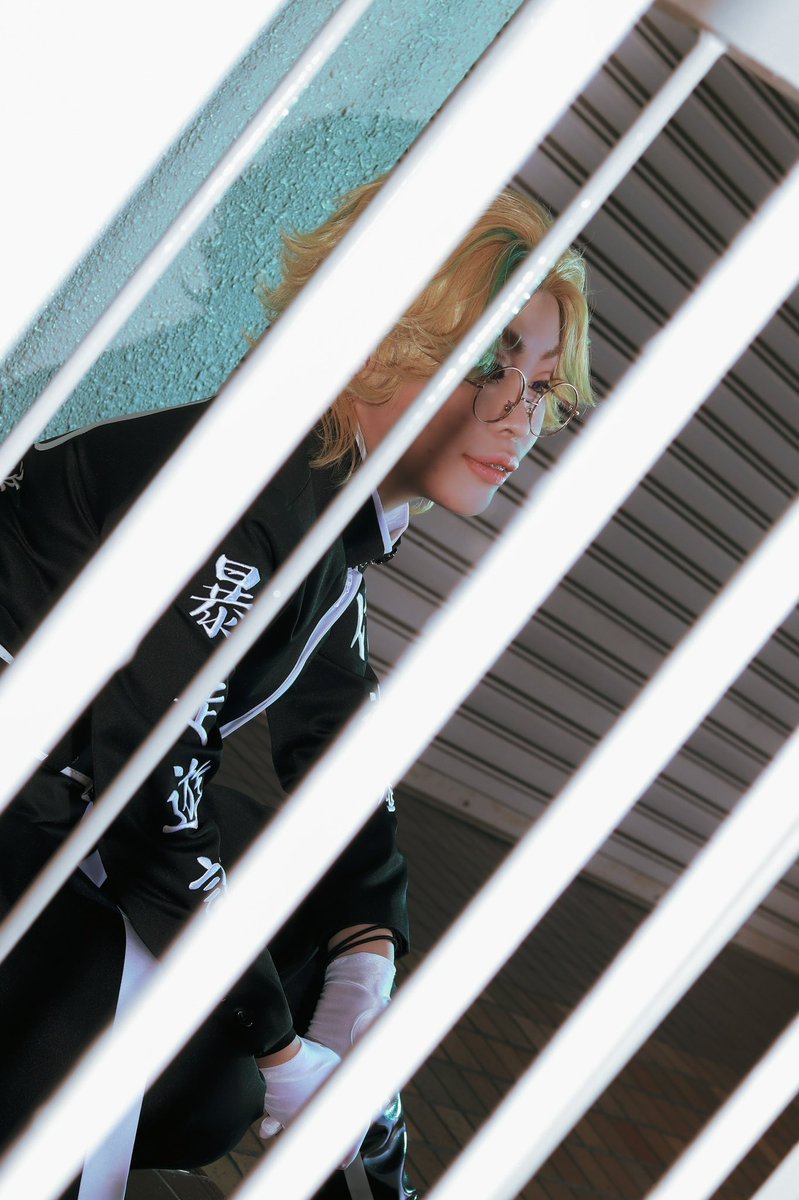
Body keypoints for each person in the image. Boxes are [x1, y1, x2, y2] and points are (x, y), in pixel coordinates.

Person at [0, 174, 591, 1199]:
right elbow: (152, 784)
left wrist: (367, 955)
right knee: (207, 1059)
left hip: (48, 807)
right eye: (484, 363)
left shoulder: (330, 513)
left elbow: (340, 750)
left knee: (295, 936)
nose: (514, 412)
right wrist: (279, 1050)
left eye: (540, 386)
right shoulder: (261, 493)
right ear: (377, 339)